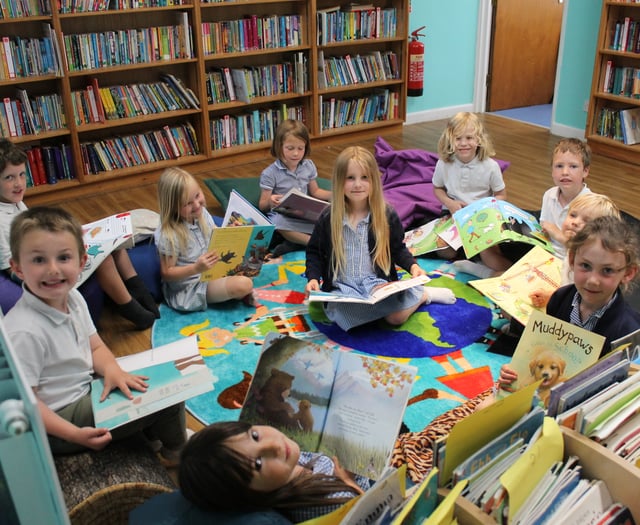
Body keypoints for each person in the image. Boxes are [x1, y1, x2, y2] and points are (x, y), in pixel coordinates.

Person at [4, 206, 187, 456]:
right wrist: (75, 435)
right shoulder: (24, 331)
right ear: (18, 269)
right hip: (60, 423)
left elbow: (96, 347)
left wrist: (112, 370)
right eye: (38, 259)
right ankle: (177, 452)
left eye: (63, 258)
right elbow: (29, 404)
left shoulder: (74, 298)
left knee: (164, 370)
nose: (53, 269)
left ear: (81, 262)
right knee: (172, 390)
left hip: (84, 389)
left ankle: (152, 436)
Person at [0, 139, 158, 329]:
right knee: (102, 258)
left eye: (22, 175)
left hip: (45, 254)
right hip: (41, 272)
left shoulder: (15, 203)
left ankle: (138, 288)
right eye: (9, 178)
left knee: (112, 241)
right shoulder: (1, 221)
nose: (19, 184)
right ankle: (130, 308)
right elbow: (13, 270)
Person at [305, 145, 455, 332]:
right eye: (350, 178)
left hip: (375, 283)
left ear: (374, 181)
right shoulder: (329, 217)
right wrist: (312, 277)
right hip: (343, 286)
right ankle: (388, 306)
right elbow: (314, 252)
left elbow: (397, 248)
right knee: (340, 317)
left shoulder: (386, 214)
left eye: (364, 178)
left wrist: (413, 266)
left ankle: (423, 295)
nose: (358, 184)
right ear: (339, 181)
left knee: (396, 318)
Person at [499, 215, 640, 392]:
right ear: (572, 260)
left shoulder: (629, 331)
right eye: (586, 266)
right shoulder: (560, 298)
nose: (593, 281)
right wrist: (514, 372)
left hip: (584, 406)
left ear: (628, 273)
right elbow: (544, 354)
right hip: (542, 393)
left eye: (607, 270)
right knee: (487, 406)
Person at [179, 421, 369, 522]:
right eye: (259, 463)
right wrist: (349, 483)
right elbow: (376, 513)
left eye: (255, 436)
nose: (274, 445)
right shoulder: (331, 500)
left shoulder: (287, 468)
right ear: (250, 496)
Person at [155, 166, 254, 312]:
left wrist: (231, 230)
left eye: (197, 195)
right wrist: (195, 268)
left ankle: (234, 292)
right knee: (244, 285)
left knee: (251, 263)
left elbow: (216, 236)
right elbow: (167, 273)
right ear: (173, 207)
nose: (196, 204)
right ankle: (238, 293)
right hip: (192, 286)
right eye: (188, 203)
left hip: (213, 270)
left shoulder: (201, 213)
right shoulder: (169, 234)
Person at [430, 112, 511, 278]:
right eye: (458, 138)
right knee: (444, 251)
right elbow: (437, 188)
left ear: (479, 139)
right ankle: (470, 254)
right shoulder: (443, 163)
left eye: (469, 138)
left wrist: (481, 208)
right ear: (449, 140)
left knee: (491, 256)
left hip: (481, 216)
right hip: (454, 213)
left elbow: (501, 195)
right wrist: (449, 203)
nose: (463, 143)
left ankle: (478, 266)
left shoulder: (490, 166)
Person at [529, 193, 621, 309]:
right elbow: (570, 288)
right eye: (572, 215)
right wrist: (552, 295)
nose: (575, 222)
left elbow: (582, 300)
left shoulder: (590, 266)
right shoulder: (573, 252)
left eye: (586, 221)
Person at [259, 119, 331, 258]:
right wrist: (271, 201)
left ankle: (293, 244)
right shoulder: (270, 173)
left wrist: (336, 195)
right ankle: (312, 242)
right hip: (284, 215)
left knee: (329, 216)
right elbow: (263, 205)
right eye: (290, 148)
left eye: (300, 148)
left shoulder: (308, 165)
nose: (296, 154)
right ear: (279, 147)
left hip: (304, 213)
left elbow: (316, 192)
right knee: (277, 222)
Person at [539, 138, 592, 257]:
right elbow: (544, 231)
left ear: (585, 171)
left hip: (575, 261)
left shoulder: (591, 204)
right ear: (552, 171)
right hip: (548, 255)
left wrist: (558, 235)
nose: (565, 172)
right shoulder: (549, 195)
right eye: (559, 166)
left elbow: (589, 249)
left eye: (573, 166)